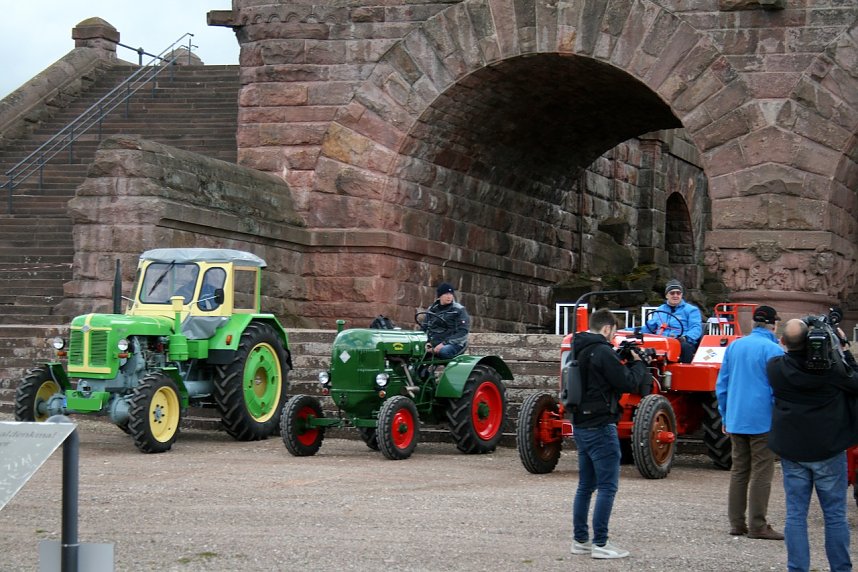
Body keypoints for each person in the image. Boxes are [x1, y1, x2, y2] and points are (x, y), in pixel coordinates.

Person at [766, 318, 858, 572]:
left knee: (796, 515)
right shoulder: (832, 373)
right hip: (828, 449)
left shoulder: (775, 368)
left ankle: (798, 568)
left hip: (793, 450)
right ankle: (841, 568)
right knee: (835, 515)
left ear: (783, 342)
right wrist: (843, 351)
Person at [570, 308, 651, 559]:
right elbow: (627, 382)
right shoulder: (602, 351)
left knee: (585, 486)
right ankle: (601, 544)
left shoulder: (579, 347)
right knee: (607, 486)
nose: (614, 337)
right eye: (613, 332)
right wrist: (638, 363)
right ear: (607, 329)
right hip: (601, 424)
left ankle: (580, 540)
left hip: (580, 423)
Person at [715, 305, 784, 540]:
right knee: (762, 472)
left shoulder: (735, 346)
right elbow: (778, 388)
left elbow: (721, 385)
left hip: (736, 416)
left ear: (754, 323)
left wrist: (725, 414)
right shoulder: (774, 349)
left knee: (739, 470)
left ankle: (736, 523)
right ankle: (757, 524)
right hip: (762, 418)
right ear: (773, 324)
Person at [644, 279, 702, 363]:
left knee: (686, 347)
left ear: (681, 295)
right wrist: (629, 331)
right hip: (661, 341)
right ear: (667, 295)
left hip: (680, 341)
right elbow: (649, 327)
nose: (675, 295)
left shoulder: (691, 310)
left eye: (678, 293)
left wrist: (685, 338)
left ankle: (685, 371)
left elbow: (696, 328)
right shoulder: (660, 310)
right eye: (672, 293)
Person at [422, 282, 470, 359]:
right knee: (416, 350)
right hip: (434, 342)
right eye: (446, 294)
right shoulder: (432, 309)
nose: (449, 297)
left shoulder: (459, 310)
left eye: (451, 294)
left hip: (454, 344)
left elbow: (463, 332)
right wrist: (427, 342)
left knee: (444, 351)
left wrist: (443, 344)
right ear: (440, 296)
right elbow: (424, 327)